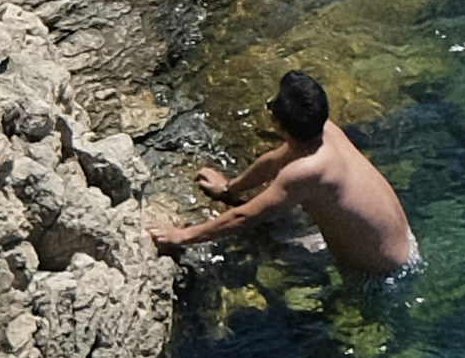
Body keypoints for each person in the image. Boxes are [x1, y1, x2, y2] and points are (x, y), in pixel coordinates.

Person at [151, 69, 420, 286]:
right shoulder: (325, 131)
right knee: (283, 245)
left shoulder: (308, 171)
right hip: (401, 247)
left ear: (279, 126)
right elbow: (273, 162)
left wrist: (181, 236)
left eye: (272, 104)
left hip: (382, 277)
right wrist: (229, 188)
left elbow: (244, 217)